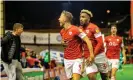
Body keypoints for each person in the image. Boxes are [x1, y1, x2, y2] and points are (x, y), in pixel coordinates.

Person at [58, 10, 94, 80]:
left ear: (65, 19)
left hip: (77, 59)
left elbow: (88, 40)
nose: (58, 19)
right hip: (67, 60)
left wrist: (91, 55)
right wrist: (62, 43)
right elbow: (65, 42)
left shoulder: (75, 30)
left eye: (60, 17)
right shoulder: (62, 31)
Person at [79, 9, 109, 80]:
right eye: (80, 17)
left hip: (99, 55)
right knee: (91, 76)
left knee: (105, 77)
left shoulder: (94, 28)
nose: (81, 19)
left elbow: (100, 42)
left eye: (83, 17)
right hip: (88, 57)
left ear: (88, 18)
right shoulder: (79, 29)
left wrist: (93, 55)